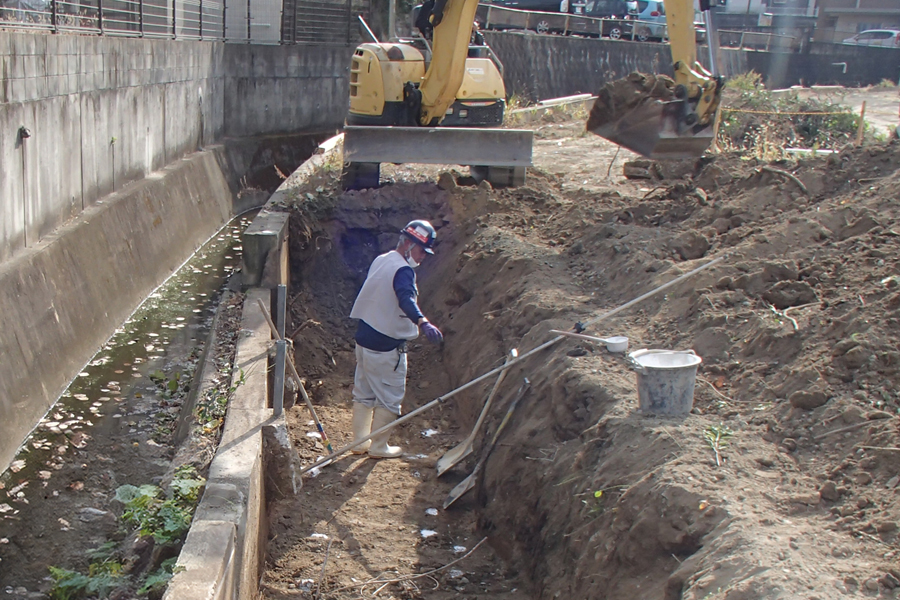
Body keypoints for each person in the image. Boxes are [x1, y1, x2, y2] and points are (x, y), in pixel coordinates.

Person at [349, 220, 444, 458]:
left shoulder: (382, 260)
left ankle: (359, 443)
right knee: (390, 398)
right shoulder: (403, 270)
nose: (423, 257)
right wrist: (422, 321)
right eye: (421, 251)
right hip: (385, 347)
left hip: (364, 338)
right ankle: (379, 447)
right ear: (409, 244)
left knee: (364, 392)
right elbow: (406, 298)